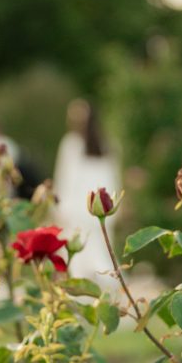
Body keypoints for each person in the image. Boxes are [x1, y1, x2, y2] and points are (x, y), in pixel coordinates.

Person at [52, 99, 120, 288]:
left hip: (78, 210)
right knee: (100, 254)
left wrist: (60, 207)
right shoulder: (106, 145)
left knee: (81, 259)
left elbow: (65, 179)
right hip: (96, 208)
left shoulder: (71, 144)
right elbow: (113, 180)